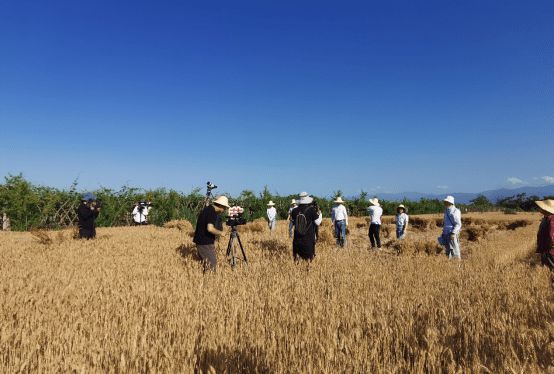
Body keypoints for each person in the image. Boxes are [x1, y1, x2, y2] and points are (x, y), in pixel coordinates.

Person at [193, 195, 229, 272]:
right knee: (211, 266)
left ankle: (206, 282)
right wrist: (221, 233)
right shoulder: (212, 212)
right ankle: (209, 283)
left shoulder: (208, 209)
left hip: (202, 242)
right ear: (220, 205)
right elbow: (210, 228)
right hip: (204, 243)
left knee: (207, 266)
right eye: (225, 207)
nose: (224, 210)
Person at [291, 192, 322, 261]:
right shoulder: (311, 210)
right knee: (308, 261)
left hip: (297, 240)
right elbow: (318, 223)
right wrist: (320, 214)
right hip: (308, 240)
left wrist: (289, 232)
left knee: (297, 262)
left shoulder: (294, 210)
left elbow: (292, 223)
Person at [534, 199, 554, 270]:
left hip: (550, 251)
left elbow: (551, 234)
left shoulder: (552, 219)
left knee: (551, 269)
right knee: (547, 269)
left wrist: (551, 246)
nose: (539, 208)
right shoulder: (546, 218)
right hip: (545, 249)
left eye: (541, 207)